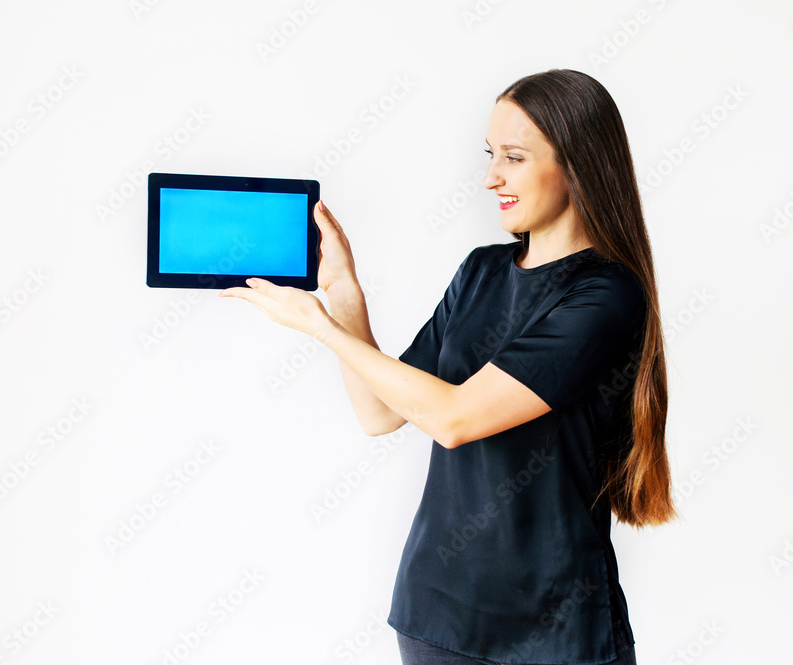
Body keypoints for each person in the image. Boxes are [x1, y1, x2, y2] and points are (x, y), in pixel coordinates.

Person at [220, 68, 677, 665]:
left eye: (513, 157)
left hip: (552, 631)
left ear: (578, 164)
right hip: (436, 616)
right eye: (491, 155)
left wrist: (319, 327)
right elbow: (380, 412)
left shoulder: (605, 295)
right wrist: (344, 294)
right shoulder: (482, 272)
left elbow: (455, 418)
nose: (490, 178)